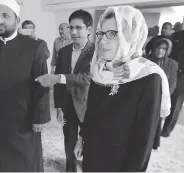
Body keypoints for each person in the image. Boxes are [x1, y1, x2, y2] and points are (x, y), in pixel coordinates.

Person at [73, 6, 171, 172]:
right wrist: (81, 138)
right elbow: (92, 110)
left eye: (112, 33)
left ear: (130, 36)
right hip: (93, 152)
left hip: (120, 162)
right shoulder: (100, 69)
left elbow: (143, 140)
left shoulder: (147, 75)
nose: (103, 40)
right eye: (101, 33)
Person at [0, 0, 50, 171]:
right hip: (0, 116)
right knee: (7, 157)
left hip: (26, 116)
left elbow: (42, 84)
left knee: (29, 159)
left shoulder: (35, 46)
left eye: (5, 16)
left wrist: (40, 116)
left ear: (17, 20)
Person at [36, 10, 94, 171]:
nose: (73, 32)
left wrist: (58, 77)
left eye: (79, 28)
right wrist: (59, 106)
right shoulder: (64, 51)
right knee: (69, 139)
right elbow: (59, 82)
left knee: (89, 140)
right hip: (67, 105)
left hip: (88, 105)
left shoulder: (96, 52)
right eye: (71, 27)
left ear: (89, 29)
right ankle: (71, 168)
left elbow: (86, 78)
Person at [147, 38, 178, 149]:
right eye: (158, 48)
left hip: (161, 97)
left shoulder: (172, 64)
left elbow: (172, 83)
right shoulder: (146, 60)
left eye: (164, 49)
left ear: (168, 51)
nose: (160, 51)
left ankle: (154, 143)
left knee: (156, 121)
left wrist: (163, 97)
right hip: (146, 95)